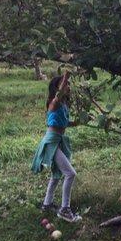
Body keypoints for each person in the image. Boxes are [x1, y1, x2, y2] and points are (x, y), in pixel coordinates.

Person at [31, 70, 82, 223]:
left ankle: (47, 204)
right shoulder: (54, 102)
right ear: (58, 87)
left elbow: (63, 122)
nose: (68, 87)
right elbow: (59, 95)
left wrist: (78, 122)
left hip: (58, 140)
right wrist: (65, 77)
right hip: (51, 141)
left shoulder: (64, 104)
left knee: (57, 174)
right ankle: (64, 209)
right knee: (70, 173)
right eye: (65, 85)